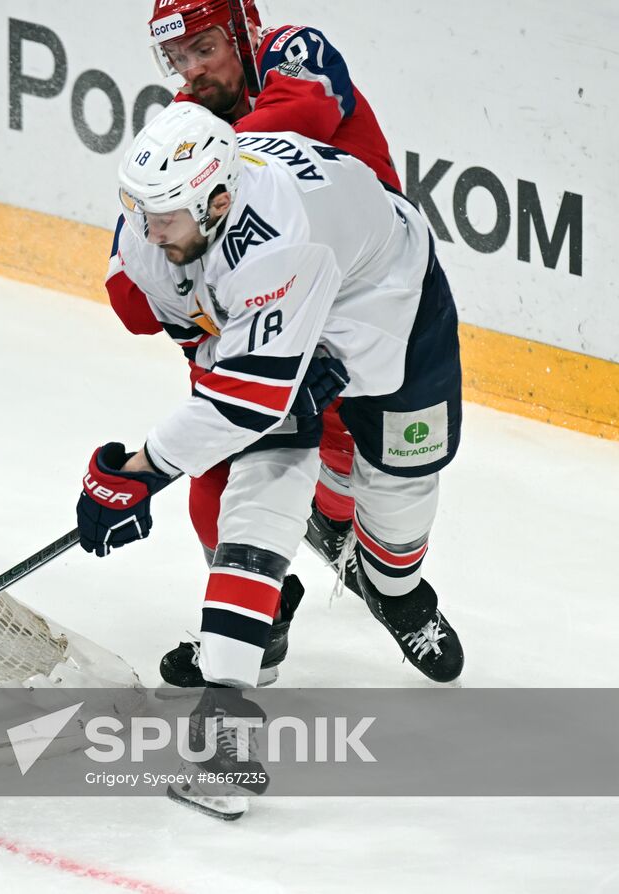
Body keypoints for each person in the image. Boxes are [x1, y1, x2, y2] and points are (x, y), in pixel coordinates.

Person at [79, 103, 465, 687]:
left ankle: (398, 594)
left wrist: (141, 470)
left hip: (391, 302)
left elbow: (243, 403)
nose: (149, 234)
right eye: (138, 212)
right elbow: (219, 372)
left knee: (397, 483)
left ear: (218, 203)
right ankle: (248, 645)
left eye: (164, 217)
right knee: (260, 469)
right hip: (287, 297)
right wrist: (158, 464)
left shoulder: (277, 241)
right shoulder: (153, 236)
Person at [107, 0, 406, 687]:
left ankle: (358, 548)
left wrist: (195, 171)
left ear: (242, 29)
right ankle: (258, 620)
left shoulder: (292, 50)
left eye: (204, 48)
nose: (192, 70)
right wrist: (152, 224)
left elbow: (300, 119)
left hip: (354, 299)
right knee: (210, 478)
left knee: (348, 444)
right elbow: (134, 298)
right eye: (176, 59)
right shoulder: (191, 123)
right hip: (254, 304)